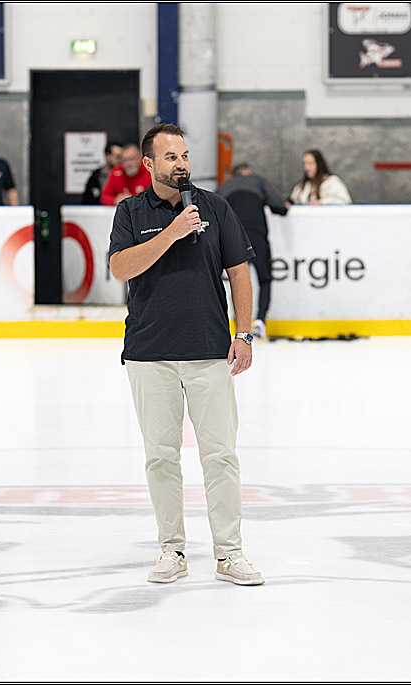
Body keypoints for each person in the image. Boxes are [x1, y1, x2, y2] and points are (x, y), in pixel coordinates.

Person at [108, 123, 264, 587]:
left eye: (185, 156)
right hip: (149, 354)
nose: (181, 164)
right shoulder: (130, 211)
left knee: (221, 456)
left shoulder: (215, 207)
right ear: (149, 164)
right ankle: (172, 550)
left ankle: (229, 553)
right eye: (171, 157)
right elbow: (120, 268)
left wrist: (245, 334)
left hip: (208, 353)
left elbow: (239, 273)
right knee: (161, 457)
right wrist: (172, 233)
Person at [217, 162, 289, 339]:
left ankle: (238, 323)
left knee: (235, 279)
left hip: (233, 236)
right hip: (256, 233)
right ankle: (260, 321)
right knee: (264, 278)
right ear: (248, 171)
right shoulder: (258, 181)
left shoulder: (223, 188)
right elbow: (278, 205)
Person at [82, 140, 123, 205]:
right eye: (117, 157)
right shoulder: (96, 176)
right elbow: (87, 200)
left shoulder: (125, 175)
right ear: (107, 156)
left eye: (122, 157)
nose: (120, 161)